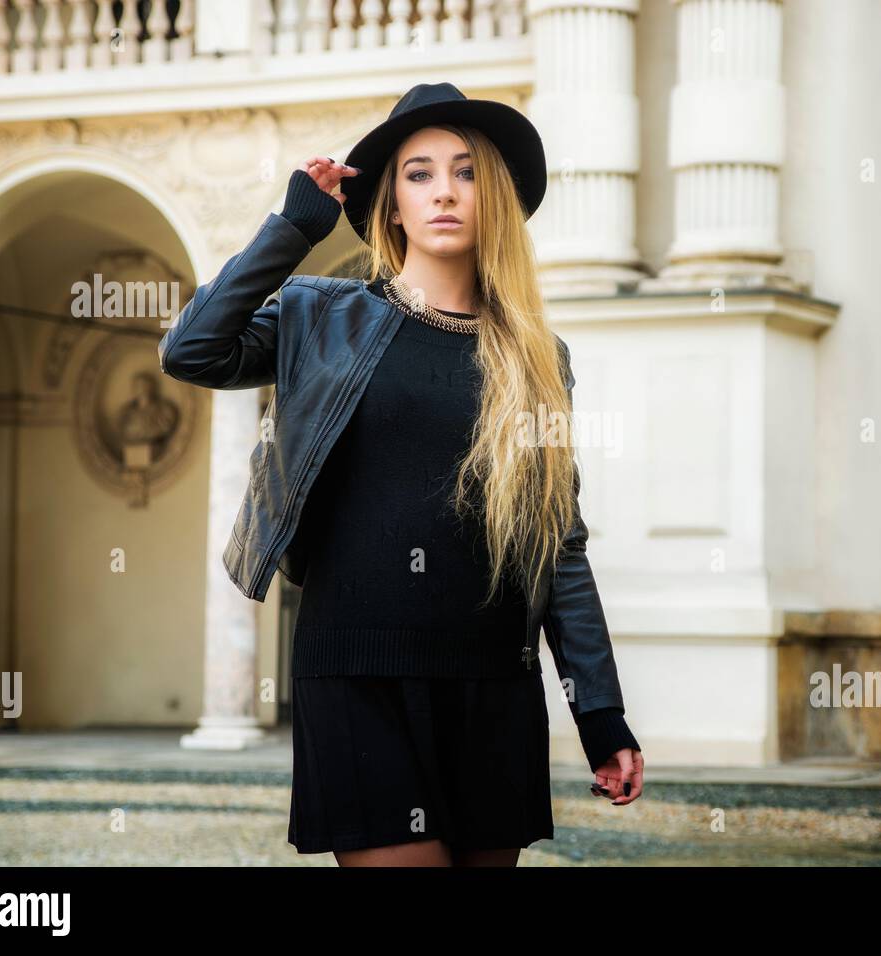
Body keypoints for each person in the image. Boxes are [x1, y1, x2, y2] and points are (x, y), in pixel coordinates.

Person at [274, 84, 644, 867]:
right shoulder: (322, 318)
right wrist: (291, 228)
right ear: (392, 204)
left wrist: (601, 715)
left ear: (496, 199)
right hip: (357, 670)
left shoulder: (539, 356)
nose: (444, 190)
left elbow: (559, 544)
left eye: (468, 172)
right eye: (419, 173)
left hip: (492, 679)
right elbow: (191, 349)